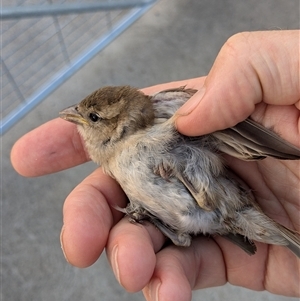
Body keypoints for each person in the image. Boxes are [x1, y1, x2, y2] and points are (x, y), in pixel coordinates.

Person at [11, 30, 299, 300]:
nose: (77, 116)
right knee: (160, 239)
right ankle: (178, 230)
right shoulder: (113, 163)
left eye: (93, 117)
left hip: (222, 200)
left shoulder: (159, 113)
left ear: (117, 123)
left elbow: (206, 114)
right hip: (212, 222)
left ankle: (196, 201)